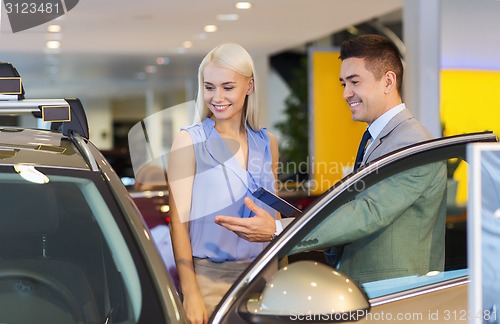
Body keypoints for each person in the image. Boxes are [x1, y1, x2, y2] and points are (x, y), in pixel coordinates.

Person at [215, 34, 447, 284]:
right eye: (343, 84)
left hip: (396, 292)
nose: (347, 93)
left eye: (354, 82)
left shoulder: (411, 141)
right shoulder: (380, 138)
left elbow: (367, 212)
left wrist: (279, 230)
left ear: (388, 81)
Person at [167, 43, 280, 323]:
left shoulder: (267, 142)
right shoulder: (190, 141)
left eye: (228, 87)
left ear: (249, 86)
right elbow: (178, 224)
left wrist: (277, 280)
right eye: (209, 87)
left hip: (265, 277)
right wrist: (191, 293)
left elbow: (273, 216)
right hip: (210, 282)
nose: (217, 97)